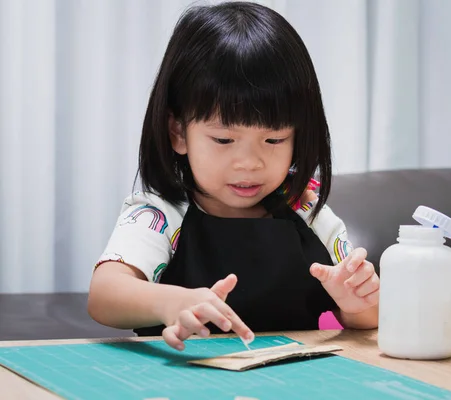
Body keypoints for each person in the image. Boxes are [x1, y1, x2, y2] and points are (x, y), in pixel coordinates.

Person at [87, 1, 379, 351]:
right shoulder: (163, 212)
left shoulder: (306, 208)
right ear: (179, 132)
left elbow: (368, 317)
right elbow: (104, 295)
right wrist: (170, 302)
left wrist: (355, 300)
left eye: (274, 139)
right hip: (179, 377)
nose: (249, 163)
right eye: (224, 140)